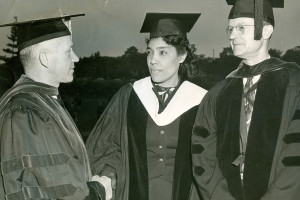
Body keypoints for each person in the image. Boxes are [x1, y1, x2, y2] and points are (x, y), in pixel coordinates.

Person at [86, 13, 207, 200]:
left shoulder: (202, 101)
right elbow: (104, 148)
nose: (153, 60)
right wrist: (110, 172)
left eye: (163, 52)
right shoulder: (129, 95)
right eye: (149, 52)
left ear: (182, 55)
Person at [192, 0, 300, 200]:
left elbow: (296, 154)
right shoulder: (218, 93)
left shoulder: (295, 85)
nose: (232, 35)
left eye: (241, 28)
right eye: (230, 29)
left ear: (266, 31)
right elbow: (202, 154)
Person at [0, 14, 111, 200]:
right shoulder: (26, 112)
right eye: (69, 51)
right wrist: (98, 192)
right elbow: (49, 192)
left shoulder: (43, 102)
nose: (76, 58)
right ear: (45, 58)